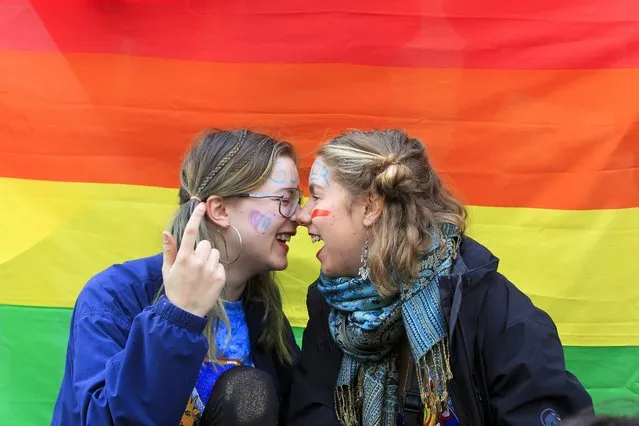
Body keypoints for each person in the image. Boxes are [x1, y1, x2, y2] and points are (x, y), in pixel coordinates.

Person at [287, 129, 594, 426]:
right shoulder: (331, 304)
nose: (302, 215)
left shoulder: (496, 315)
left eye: (315, 196)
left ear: (370, 207)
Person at [52, 129, 302, 426]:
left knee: (249, 392)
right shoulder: (115, 295)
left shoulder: (263, 315)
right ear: (220, 210)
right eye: (286, 200)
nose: (300, 215)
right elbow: (99, 420)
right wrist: (177, 316)